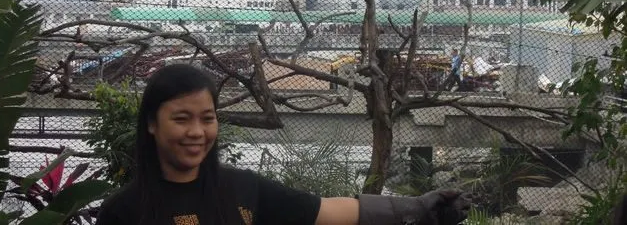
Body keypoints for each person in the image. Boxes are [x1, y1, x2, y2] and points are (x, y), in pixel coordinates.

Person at [95, 64, 471, 225]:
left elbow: (328, 211)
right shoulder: (124, 212)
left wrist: (416, 210)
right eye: (181, 118)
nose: (197, 131)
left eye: (207, 118)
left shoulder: (241, 188)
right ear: (151, 124)